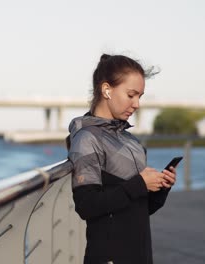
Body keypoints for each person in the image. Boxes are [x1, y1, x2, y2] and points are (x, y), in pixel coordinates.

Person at [67, 54, 177, 264]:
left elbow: (137, 210)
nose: (136, 104)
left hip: (140, 254)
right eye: (131, 95)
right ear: (106, 89)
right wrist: (139, 183)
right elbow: (86, 205)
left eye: (140, 96)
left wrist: (161, 187)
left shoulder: (132, 143)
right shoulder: (87, 139)